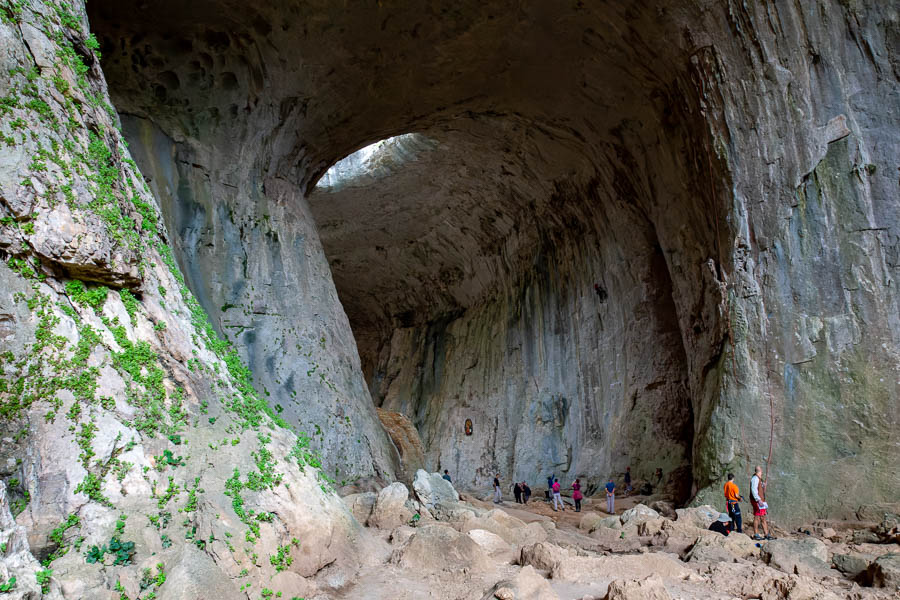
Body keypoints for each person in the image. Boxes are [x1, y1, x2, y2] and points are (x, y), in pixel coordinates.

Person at [750, 465, 774, 540]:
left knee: (763, 516)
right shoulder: (755, 479)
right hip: (757, 501)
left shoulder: (759, 479)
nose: (762, 472)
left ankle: (766, 534)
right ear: (759, 471)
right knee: (757, 517)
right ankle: (756, 534)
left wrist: (763, 485)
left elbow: (758, 488)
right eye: (761, 471)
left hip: (761, 501)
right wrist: (758, 499)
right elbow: (754, 490)